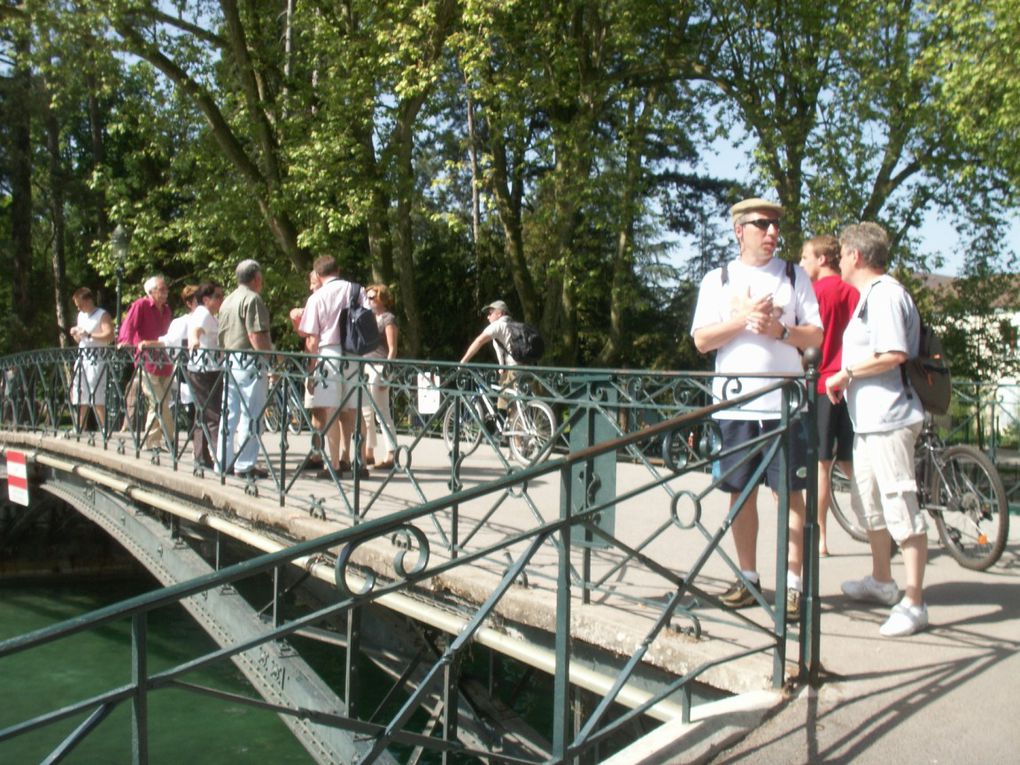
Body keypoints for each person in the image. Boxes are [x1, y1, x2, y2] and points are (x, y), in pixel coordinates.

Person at [690, 198, 823, 619]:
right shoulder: (719, 279)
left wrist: (778, 329)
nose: (771, 233)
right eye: (762, 225)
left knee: (790, 494)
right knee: (739, 493)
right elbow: (701, 340)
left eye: (775, 226)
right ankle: (747, 578)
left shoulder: (793, 275)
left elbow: (815, 336)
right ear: (738, 230)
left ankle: (793, 586)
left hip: (786, 408)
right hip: (735, 408)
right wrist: (743, 319)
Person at [825, 222, 928, 637]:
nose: (839, 258)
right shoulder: (871, 295)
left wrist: (846, 373)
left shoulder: (885, 295)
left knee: (900, 503)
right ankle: (882, 581)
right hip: (869, 421)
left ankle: (915, 601)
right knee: (866, 501)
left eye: (843, 251)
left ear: (857, 256)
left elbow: (894, 354)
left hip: (890, 419)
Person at [799, 235, 860, 556]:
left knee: (821, 465)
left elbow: (808, 343)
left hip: (822, 384)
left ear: (822, 259)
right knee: (851, 462)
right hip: (850, 385)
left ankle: (820, 538)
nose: (801, 264)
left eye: (805, 257)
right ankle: (879, 526)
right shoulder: (854, 292)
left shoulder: (816, 293)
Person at [297, 255, 369, 479]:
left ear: (318, 275)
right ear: (338, 269)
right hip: (355, 353)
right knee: (352, 410)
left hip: (329, 354)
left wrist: (311, 371)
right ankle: (357, 461)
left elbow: (311, 340)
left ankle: (334, 464)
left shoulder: (317, 297)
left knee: (330, 411)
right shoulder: (357, 290)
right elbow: (369, 323)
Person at [217, 260, 273, 479]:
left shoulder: (227, 301)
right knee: (252, 413)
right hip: (249, 359)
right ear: (256, 278)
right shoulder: (252, 299)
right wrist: (268, 361)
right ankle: (245, 464)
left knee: (229, 413)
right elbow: (255, 334)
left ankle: (223, 461)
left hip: (230, 359)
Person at [117, 275, 173, 448]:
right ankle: (172, 439)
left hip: (165, 360)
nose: (165, 293)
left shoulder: (167, 309)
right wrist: (125, 341)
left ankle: (150, 442)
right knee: (159, 401)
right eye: (161, 289)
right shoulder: (141, 305)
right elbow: (129, 325)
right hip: (147, 360)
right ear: (151, 291)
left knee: (157, 404)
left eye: (166, 289)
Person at [186, 282, 224, 469]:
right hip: (206, 369)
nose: (221, 300)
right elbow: (196, 331)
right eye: (217, 296)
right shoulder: (203, 314)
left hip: (203, 368)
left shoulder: (205, 314)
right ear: (206, 299)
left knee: (202, 413)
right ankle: (220, 458)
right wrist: (194, 341)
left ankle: (202, 456)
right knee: (213, 414)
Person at [362, 284, 399, 470]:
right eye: (367, 297)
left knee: (382, 412)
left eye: (371, 297)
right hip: (366, 366)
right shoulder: (369, 317)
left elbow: (392, 349)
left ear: (381, 299)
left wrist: (387, 374)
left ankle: (391, 454)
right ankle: (368, 452)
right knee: (366, 412)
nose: (368, 300)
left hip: (380, 366)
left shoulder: (387, 319)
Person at [460, 299, 518, 415]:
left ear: (500, 313)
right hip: (526, 366)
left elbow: (479, 341)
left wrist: (463, 361)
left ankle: (510, 431)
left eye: (490, 313)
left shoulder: (498, 325)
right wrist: (502, 367)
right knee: (513, 402)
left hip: (514, 369)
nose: (488, 317)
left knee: (509, 406)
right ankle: (509, 428)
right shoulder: (514, 325)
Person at [69, 287, 115, 430]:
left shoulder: (102, 315)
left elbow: (109, 336)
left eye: (80, 305)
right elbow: (80, 340)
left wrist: (89, 334)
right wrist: (76, 333)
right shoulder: (81, 316)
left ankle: (104, 429)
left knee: (96, 395)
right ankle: (79, 428)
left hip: (97, 359)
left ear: (88, 300)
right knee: (80, 395)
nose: (79, 308)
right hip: (82, 358)